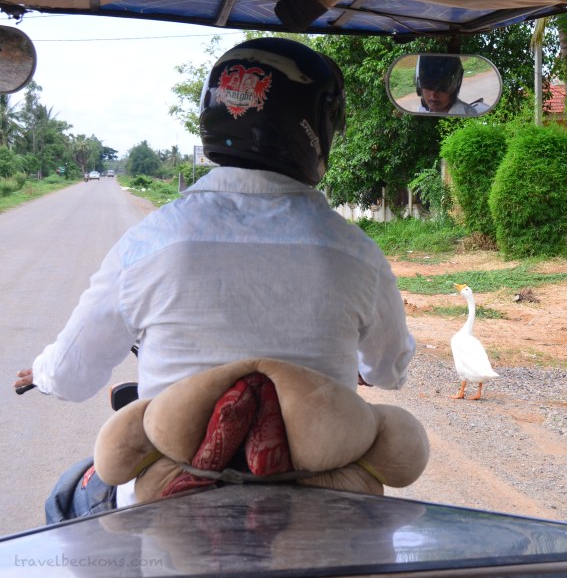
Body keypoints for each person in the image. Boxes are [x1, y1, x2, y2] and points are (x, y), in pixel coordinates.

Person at [13, 37, 416, 518]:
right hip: (321, 502)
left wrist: (42, 371)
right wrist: (361, 370)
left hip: (167, 497)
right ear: (319, 128)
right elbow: (388, 370)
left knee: (66, 497)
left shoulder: (151, 242)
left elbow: (72, 375)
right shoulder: (356, 253)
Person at [415, 54, 488, 116]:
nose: (433, 94)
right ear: (419, 87)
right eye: (427, 84)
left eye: (443, 86)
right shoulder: (421, 110)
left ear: (455, 87)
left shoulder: (469, 113)